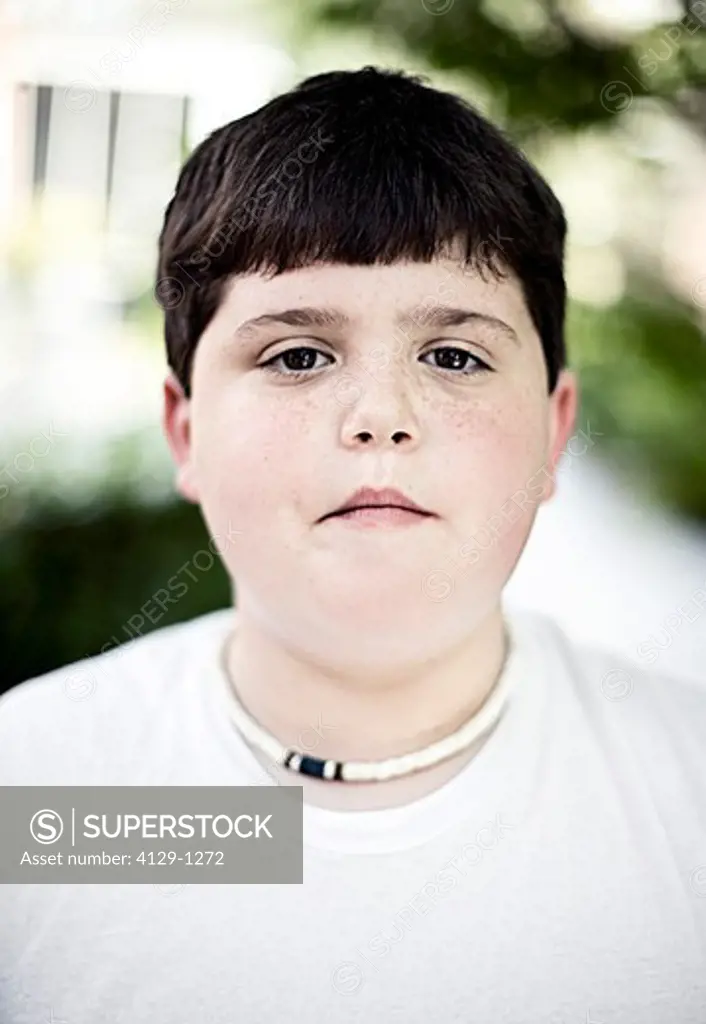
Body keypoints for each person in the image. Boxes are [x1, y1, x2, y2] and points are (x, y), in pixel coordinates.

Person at [1, 66, 705, 1024]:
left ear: (552, 432)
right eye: (297, 355)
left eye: (453, 355)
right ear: (186, 432)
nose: (380, 417)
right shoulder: (35, 796)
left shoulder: (686, 798)